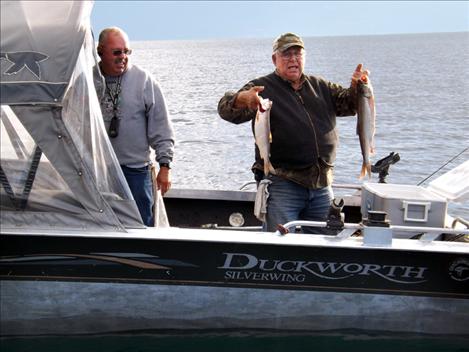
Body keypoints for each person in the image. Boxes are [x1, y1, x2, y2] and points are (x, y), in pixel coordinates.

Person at [218, 32, 370, 233]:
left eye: (297, 54)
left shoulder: (320, 86)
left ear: (304, 57)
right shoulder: (261, 89)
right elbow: (226, 110)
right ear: (275, 59)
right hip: (282, 185)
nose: (293, 60)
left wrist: (357, 88)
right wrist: (242, 99)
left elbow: (350, 105)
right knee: (280, 246)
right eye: (286, 55)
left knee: (325, 244)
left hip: (322, 185)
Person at [94, 27, 175, 226]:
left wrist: (165, 165)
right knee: (101, 226)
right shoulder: (88, 80)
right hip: (98, 171)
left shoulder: (144, 80)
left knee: (140, 226)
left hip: (136, 172)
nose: (123, 57)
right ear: (100, 51)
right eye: (117, 52)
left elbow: (161, 127)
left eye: (126, 51)